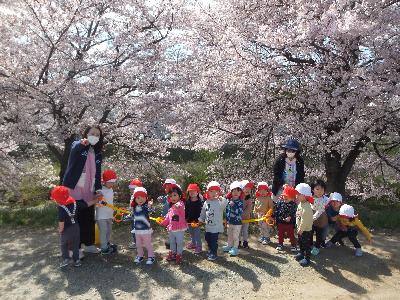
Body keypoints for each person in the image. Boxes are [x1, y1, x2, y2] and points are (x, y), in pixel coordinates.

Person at [62, 125, 104, 257]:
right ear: (86, 134)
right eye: (93, 133)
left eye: (98, 135)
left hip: (89, 190)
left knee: (88, 218)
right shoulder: (78, 145)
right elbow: (74, 147)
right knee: (74, 219)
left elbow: (98, 173)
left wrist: (98, 188)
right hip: (74, 189)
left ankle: (89, 244)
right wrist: (81, 143)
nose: (95, 136)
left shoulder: (97, 153)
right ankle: (74, 248)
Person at [51, 186, 90, 268]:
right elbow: (86, 205)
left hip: (66, 230)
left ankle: (66, 259)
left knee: (64, 244)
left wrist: (60, 230)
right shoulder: (75, 203)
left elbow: (61, 221)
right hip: (76, 228)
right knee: (75, 245)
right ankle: (77, 260)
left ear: (58, 199)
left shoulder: (61, 208)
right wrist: (96, 200)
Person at [198, 181, 228, 261]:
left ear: (219, 192)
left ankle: (213, 253)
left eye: (216, 191)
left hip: (216, 226)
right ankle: (210, 250)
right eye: (211, 191)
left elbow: (225, 204)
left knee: (213, 240)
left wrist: (222, 199)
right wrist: (200, 220)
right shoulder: (206, 202)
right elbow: (203, 212)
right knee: (207, 238)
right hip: (208, 226)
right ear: (208, 192)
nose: (214, 193)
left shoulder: (219, 202)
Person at [159, 184, 188, 264]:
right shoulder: (171, 208)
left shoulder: (181, 204)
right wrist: (163, 223)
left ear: (179, 195)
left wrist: (177, 205)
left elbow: (180, 206)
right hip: (171, 229)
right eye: (171, 196)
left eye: (175, 195)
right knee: (172, 242)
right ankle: (173, 253)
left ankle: (179, 255)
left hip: (179, 228)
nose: (173, 198)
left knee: (179, 243)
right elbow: (168, 218)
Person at [131, 187, 155, 265]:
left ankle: (151, 256)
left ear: (146, 198)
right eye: (138, 198)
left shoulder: (146, 207)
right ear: (135, 199)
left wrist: (150, 206)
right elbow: (133, 216)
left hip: (146, 229)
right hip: (137, 230)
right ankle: (140, 255)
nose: (140, 199)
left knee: (147, 244)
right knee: (138, 244)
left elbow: (151, 211)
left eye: (143, 197)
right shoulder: (135, 208)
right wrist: (127, 217)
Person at [96, 169, 118, 255]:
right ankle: (104, 248)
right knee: (104, 231)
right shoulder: (100, 190)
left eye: (113, 182)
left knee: (109, 230)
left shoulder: (111, 189)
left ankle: (108, 243)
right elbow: (97, 200)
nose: (112, 184)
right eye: (110, 182)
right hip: (101, 216)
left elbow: (110, 201)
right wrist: (99, 200)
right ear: (104, 182)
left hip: (109, 215)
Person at [294, 183, 314, 267]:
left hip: (305, 230)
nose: (296, 196)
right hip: (300, 228)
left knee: (306, 244)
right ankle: (301, 253)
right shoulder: (301, 203)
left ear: (305, 195)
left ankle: (307, 258)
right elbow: (298, 215)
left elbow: (304, 220)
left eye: (298, 194)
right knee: (300, 242)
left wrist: (301, 229)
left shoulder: (307, 207)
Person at [223, 181, 244, 256]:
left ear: (240, 192)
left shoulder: (240, 202)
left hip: (237, 223)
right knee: (229, 235)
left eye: (238, 191)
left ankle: (235, 249)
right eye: (233, 190)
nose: (235, 192)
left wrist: (234, 206)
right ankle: (229, 246)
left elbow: (240, 212)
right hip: (230, 222)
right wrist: (226, 219)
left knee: (235, 236)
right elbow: (227, 211)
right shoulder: (229, 201)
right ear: (231, 192)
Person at [274, 184, 298, 252]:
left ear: (292, 198)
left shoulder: (294, 205)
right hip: (281, 222)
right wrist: (273, 216)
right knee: (280, 234)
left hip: (290, 223)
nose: (285, 198)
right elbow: (276, 210)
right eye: (284, 196)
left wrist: (290, 217)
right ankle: (280, 244)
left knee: (291, 234)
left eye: (287, 197)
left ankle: (293, 245)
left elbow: (295, 213)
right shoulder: (280, 202)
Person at [310, 179, 329, 255]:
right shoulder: (310, 198)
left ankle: (317, 247)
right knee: (310, 233)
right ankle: (310, 244)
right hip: (311, 220)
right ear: (313, 189)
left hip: (321, 220)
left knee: (319, 235)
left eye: (322, 189)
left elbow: (320, 211)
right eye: (317, 189)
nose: (320, 191)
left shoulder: (325, 199)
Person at [157, 178, 177, 249]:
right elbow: (162, 200)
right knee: (168, 229)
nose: (166, 189)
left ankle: (174, 243)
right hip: (166, 217)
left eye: (168, 187)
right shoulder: (167, 197)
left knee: (173, 230)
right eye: (165, 187)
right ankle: (170, 241)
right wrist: (160, 199)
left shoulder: (176, 198)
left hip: (173, 217)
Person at [185, 183, 203, 254]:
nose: (192, 193)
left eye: (194, 191)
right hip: (189, 221)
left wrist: (201, 220)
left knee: (197, 235)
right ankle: (193, 243)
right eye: (190, 191)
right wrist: (185, 218)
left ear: (197, 192)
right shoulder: (188, 201)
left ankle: (199, 247)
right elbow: (186, 211)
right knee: (192, 234)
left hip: (197, 222)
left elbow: (202, 212)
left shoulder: (199, 202)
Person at [128, 178, 143, 249]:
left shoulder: (139, 197)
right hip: (132, 215)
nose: (130, 190)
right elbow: (131, 206)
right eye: (130, 189)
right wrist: (129, 212)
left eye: (132, 189)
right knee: (133, 229)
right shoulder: (132, 196)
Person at [239, 180, 254, 248]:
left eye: (249, 188)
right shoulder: (238, 198)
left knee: (245, 231)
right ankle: (238, 242)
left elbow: (248, 209)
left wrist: (241, 215)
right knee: (238, 231)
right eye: (246, 188)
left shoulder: (249, 199)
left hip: (246, 218)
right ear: (242, 189)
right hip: (238, 219)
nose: (248, 189)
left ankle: (245, 242)